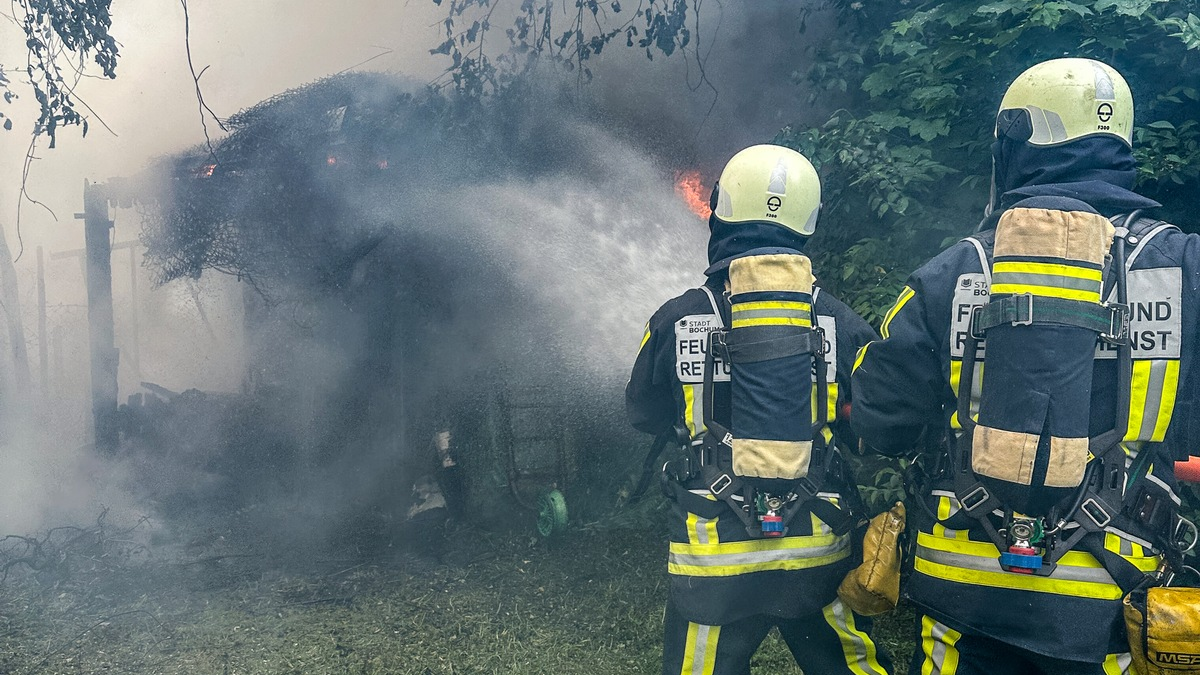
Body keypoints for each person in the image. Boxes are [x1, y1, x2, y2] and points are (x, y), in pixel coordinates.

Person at [851, 57, 1200, 674]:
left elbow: (881, 422)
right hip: (1116, 594)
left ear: (1020, 139)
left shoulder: (952, 272)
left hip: (962, 586)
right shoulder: (1186, 268)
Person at [627, 144, 891, 675]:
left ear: (721, 212)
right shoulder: (840, 322)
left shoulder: (678, 319)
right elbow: (870, 425)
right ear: (807, 224)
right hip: (817, 553)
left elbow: (642, 414)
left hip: (714, 560)